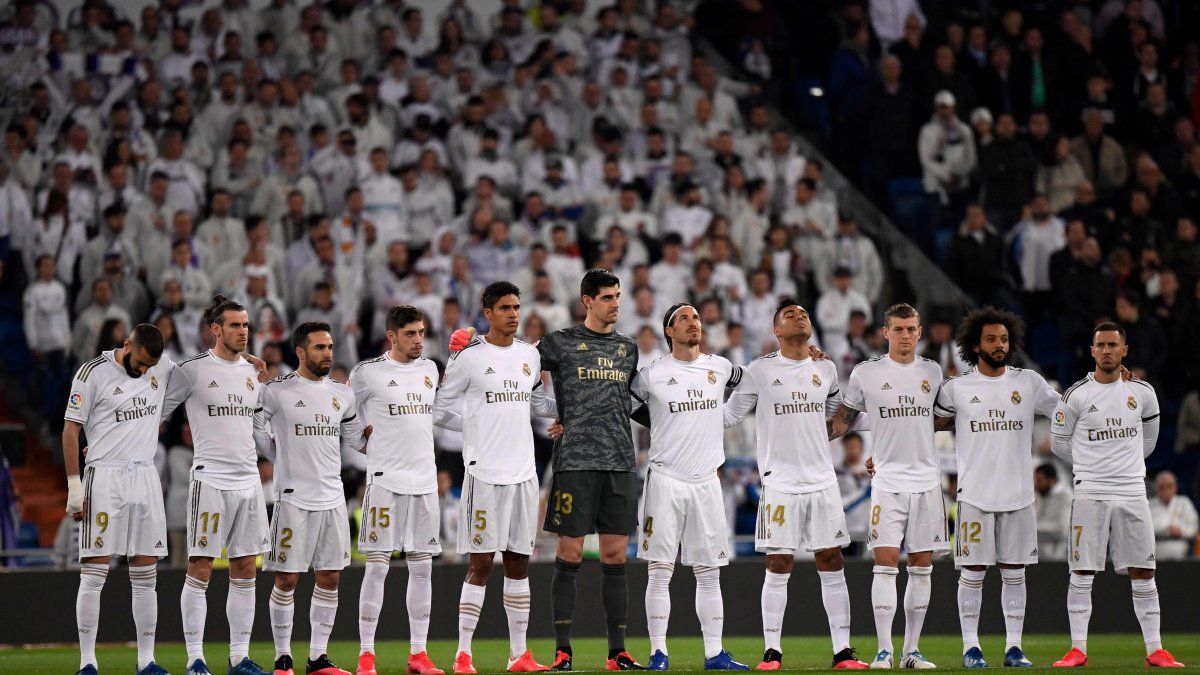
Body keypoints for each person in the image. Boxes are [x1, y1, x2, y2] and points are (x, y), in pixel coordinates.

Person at [722, 299, 869, 670]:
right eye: (790, 315)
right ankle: (772, 652)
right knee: (779, 561)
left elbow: (837, 420)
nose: (799, 316)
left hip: (821, 478)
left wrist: (886, 423)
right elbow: (731, 414)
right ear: (776, 330)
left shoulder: (827, 368)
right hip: (780, 481)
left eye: (803, 313)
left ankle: (843, 652)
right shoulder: (759, 369)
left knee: (831, 559)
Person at [521, 269, 642, 671]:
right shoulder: (559, 343)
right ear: (587, 300)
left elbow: (641, 402)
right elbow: (518, 366)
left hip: (620, 462)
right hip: (573, 461)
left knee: (614, 556)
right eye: (608, 297)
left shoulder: (628, 348)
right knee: (570, 554)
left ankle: (617, 651)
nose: (616, 304)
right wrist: (550, 412)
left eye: (618, 296)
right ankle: (562, 650)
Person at [434, 281, 558, 674]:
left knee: (520, 563)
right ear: (487, 313)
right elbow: (438, 409)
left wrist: (567, 414)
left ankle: (519, 655)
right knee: (482, 564)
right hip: (483, 475)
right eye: (505, 307)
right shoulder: (468, 357)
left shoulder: (529, 355)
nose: (514, 313)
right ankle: (463, 654)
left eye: (517, 307)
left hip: (524, 475)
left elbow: (537, 403)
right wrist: (472, 427)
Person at [932, 307, 1061, 668]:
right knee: (972, 574)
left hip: (1019, 496)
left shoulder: (1029, 383)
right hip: (974, 496)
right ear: (975, 345)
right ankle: (971, 647)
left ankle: (1014, 648)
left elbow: (1067, 411)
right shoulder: (956, 388)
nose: (999, 345)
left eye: (1003, 339)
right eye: (991, 339)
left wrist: (1107, 386)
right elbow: (926, 426)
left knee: (1014, 572)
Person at [1049, 322, 1183, 668]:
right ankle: (1078, 649)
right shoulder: (1076, 395)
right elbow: (1059, 443)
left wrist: (1126, 466)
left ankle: (1155, 650)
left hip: (1132, 491)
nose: (1106, 350)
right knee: (1082, 571)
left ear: (1124, 350)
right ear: (1092, 351)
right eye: (1101, 345)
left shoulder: (1143, 393)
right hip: (1091, 491)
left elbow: (1148, 441)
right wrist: (1091, 466)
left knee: (1143, 571)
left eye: (1113, 345)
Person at [631, 303, 749, 671]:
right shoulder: (652, 374)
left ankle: (714, 652)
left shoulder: (720, 367)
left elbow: (756, 382)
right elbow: (626, 405)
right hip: (665, 478)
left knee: (709, 571)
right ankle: (658, 652)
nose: (692, 322)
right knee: (659, 569)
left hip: (706, 481)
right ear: (669, 331)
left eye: (696, 317)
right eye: (683, 318)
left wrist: (728, 416)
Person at [828, 303, 945, 669]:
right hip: (889, 483)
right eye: (898, 329)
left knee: (922, 565)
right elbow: (843, 421)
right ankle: (884, 649)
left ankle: (912, 650)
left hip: (927, 482)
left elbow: (938, 420)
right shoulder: (866, 374)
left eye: (911, 329)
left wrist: (905, 442)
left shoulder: (933, 372)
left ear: (920, 331)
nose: (905, 335)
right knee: (885, 563)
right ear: (885, 332)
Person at [162, 296, 270, 675]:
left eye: (246, 325)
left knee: (245, 568)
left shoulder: (254, 374)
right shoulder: (190, 370)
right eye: (236, 325)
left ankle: (239, 657)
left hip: (248, 479)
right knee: (201, 567)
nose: (243, 331)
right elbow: (156, 412)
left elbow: (260, 430)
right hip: (209, 478)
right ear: (216, 329)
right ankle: (195, 659)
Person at [351, 306, 461, 675]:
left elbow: (440, 414)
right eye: (411, 333)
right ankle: (367, 655)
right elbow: (346, 418)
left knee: (422, 568)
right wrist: (365, 447)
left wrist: (481, 423)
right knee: (378, 568)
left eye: (422, 333)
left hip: (425, 482)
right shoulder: (367, 373)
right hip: (384, 482)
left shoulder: (430, 370)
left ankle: (418, 654)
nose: (418, 340)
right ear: (392, 335)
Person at [254, 321, 364, 675]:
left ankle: (318, 657)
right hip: (293, 498)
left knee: (330, 578)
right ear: (300, 351)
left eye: (329, 347)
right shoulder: (276, 391)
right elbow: (257, 429)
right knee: (286, 580)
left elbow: (357, 440)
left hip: (332, 497)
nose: (327, 353)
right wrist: (277, 455)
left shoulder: (342, 394)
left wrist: (373, 438)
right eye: (319, 347)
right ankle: (282, 658)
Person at [64, 324, 173, 675]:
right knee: (94, 572)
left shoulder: (162, 368)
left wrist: (244, 358)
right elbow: (70, 430)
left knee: (145, 574)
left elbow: (202, 373)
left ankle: (146, 661)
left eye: (148, 366)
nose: (143, 370)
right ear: (127, 345)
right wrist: (74, 486)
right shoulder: (92, 372)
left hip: (144, 475)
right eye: (139, 362)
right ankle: (87, 662)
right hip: (104, 476)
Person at [1149, 471, 1198, 561]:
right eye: (1162, 487)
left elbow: (1193, 528)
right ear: (1156, 488)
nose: (1165, 490)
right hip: (1156, 552)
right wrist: (1168, 529)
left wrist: (1181, 530)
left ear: (1175, 487)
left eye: (1169, 486)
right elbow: (1145, 530)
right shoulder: (1149, 505)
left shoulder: (1184, 502)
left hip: (1181, 553)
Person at [1033, 464, 1071, 561]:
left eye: (1040, 480)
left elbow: (1061, 528)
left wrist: (1032, 527)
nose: (1036, 484)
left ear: (1052, 480)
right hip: (1038, 551)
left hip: (1057, 554)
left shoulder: (1066, 496)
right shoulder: (1039, 494)